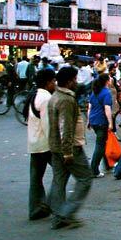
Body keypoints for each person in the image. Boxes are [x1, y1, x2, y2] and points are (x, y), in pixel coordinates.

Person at [48, 67, 92, 230]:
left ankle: (58, 214)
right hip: (70, 147)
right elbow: (65, 127)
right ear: (68, 81)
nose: (76, 82)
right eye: (74, 79)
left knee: (59, 180)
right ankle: (65, 214)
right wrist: (68, 152)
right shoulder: (66, 100)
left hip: (55, 146)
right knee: (85, 179)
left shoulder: (55, 96)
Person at [27, 69, 56, 220]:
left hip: (34, 143)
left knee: (36, 178)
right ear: (47, 82)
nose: (55, 84)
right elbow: (48, 126)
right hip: (46, 145)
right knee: (61, 173)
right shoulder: (46, 98)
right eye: (53, 81)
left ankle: (35, 208)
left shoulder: (34, 95)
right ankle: (50, 204)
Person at [87, 74, 113, 178]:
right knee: (100, 145)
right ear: (107, 81)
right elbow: (107, 109)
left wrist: (89, 120)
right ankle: (94, 169)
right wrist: (110, 122)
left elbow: (89, 107)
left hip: (94, 120)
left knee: (102, 143)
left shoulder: (95, 92)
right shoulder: (106, 93)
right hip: (101, 121)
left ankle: (107, 165)